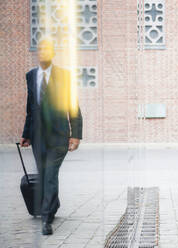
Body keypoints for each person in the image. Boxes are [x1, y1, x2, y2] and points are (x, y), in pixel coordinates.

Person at [20, 38, 83, 235]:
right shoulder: (31, 76)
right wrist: (26, 134)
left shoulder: (64, 76)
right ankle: (52, 205)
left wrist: (76, 135)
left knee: (50, 175)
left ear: (53, 53)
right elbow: (31, 108)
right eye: (40, 49)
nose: (43, 52)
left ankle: (46, 218)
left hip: (58, 136)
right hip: (38, 136)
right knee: (45, 174)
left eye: (47, 49)